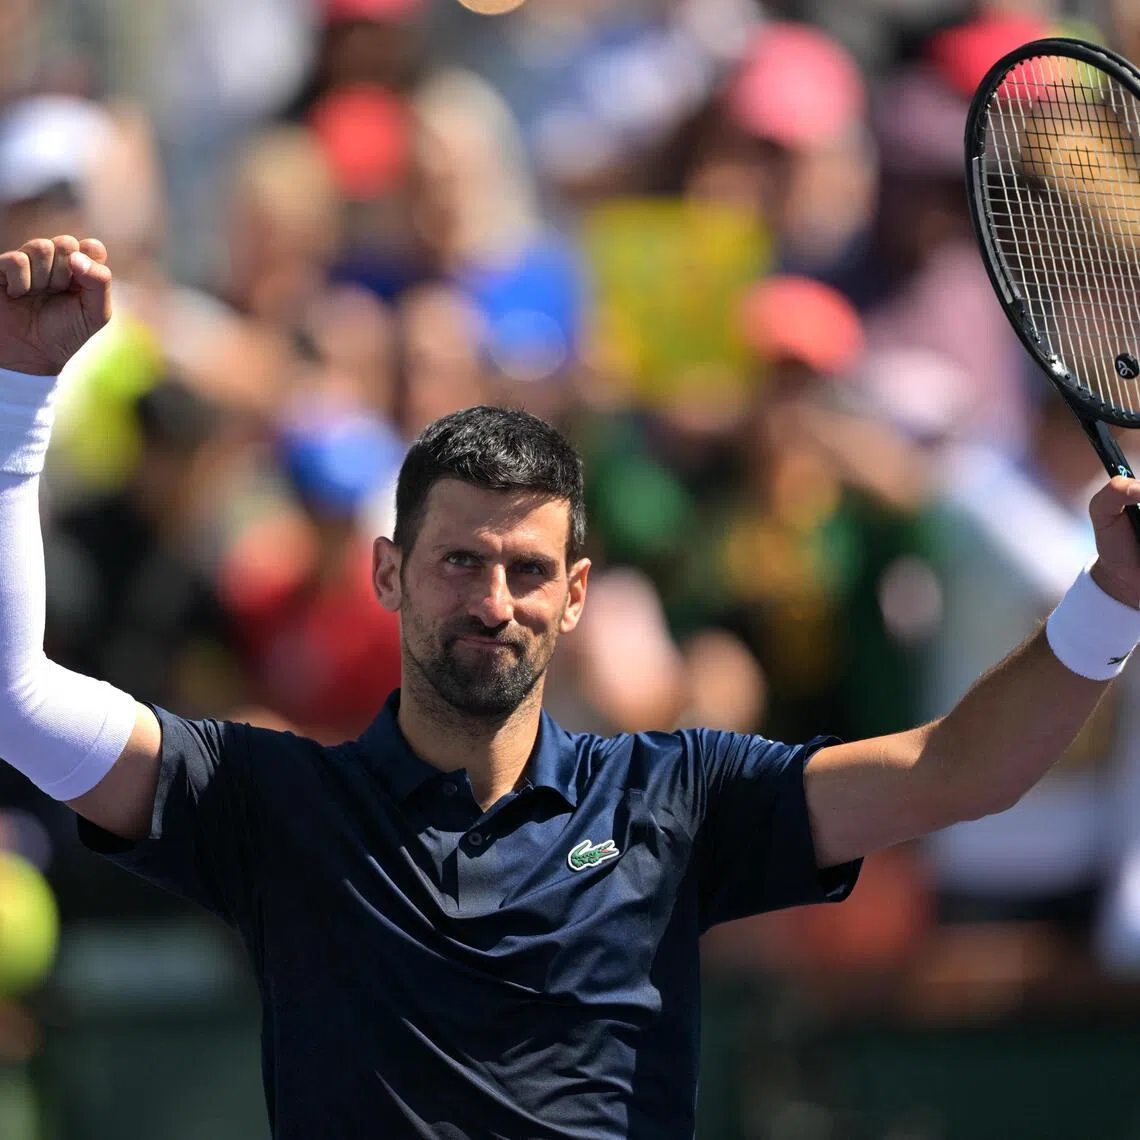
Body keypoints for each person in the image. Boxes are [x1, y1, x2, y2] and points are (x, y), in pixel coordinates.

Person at [2, 236, 1140, 1140]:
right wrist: (17, 400)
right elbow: (18, 700)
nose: (494, 599)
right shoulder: (275, 803)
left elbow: (963, 770)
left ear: (579, 593)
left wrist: (1113, 597)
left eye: (528, 569)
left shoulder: (673, 796)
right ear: (388, 572)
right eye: (458, 561)